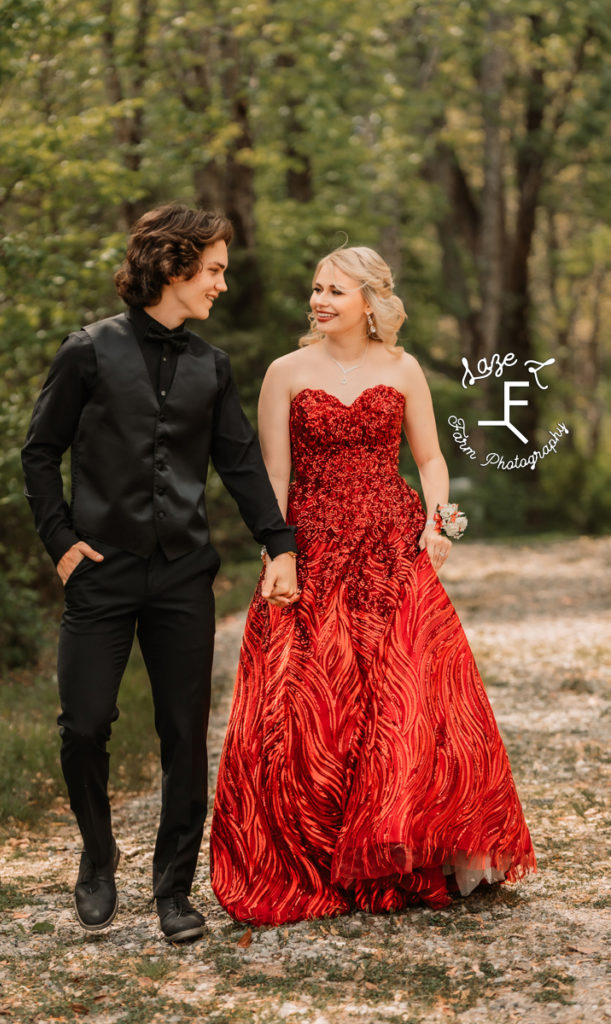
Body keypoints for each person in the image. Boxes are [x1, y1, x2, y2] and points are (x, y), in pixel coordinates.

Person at [210, 245, 536, 924]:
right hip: (315, 547)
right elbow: (274, 475)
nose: (319, 300)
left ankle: (405, 845)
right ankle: (313, 856)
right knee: (308, 701)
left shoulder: (402, 368)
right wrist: (278, 553)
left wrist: (439, 524)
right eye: (315, 289)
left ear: (368, 301)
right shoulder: (284, 372)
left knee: (410, 695)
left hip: (390, 545)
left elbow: (430, 457)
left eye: (334, 290)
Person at [21, 203, 299, 942]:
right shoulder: (86, 351)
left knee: (182, 733)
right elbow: (39, 451)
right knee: (84, 726)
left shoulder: (212, 367)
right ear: (174, 268)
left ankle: (173, 890)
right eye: (212, 272)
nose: (220, 286)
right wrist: (61, 543)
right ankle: (98, 854)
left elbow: (239, 464)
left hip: (182, 576)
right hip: (101, 575)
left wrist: (279, 544)